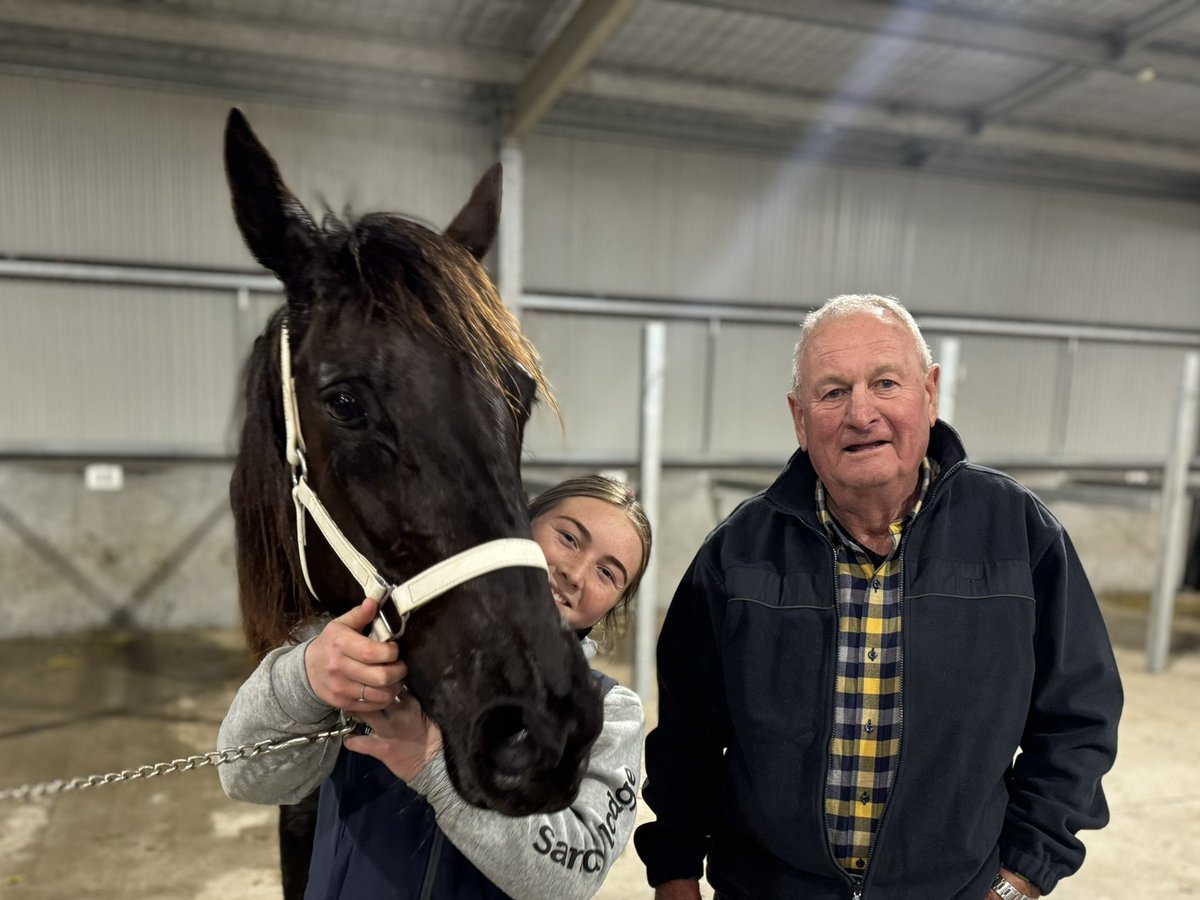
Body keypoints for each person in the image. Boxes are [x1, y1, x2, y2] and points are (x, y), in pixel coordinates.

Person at [634, 294, 1122, 900]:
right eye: (833, 392)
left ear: (930, 391)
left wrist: (1022, 875)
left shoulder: (1020, 535)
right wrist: (675, 870)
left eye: (885, 382)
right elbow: (689, 735)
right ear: (799, 416)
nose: (861, 413)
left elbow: (1079, 720)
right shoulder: (737, 553)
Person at [218, 474, 652, 900]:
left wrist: (435, 768)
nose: (575, 573)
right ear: (518, 525)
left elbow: (571, 882)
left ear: (614, 605)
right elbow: (244, 777)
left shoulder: (609, 714)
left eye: (608, 574)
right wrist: (305, 677)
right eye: (569, 538)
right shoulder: (377, 641)